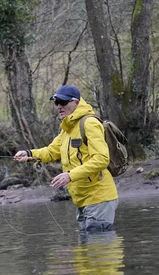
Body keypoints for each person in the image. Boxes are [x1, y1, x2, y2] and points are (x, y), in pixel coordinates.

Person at [14, 85, 118, 230]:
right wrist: (29, 154)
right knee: (86, 248)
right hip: (81, 199)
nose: (59, 107)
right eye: (56, 103)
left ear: (76, 102)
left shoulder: (90, 123)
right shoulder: (67, 129)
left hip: (99, 197)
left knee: (98, 244)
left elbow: (101, 159)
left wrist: (70, 176)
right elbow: (51, 152)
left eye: (63, 102)